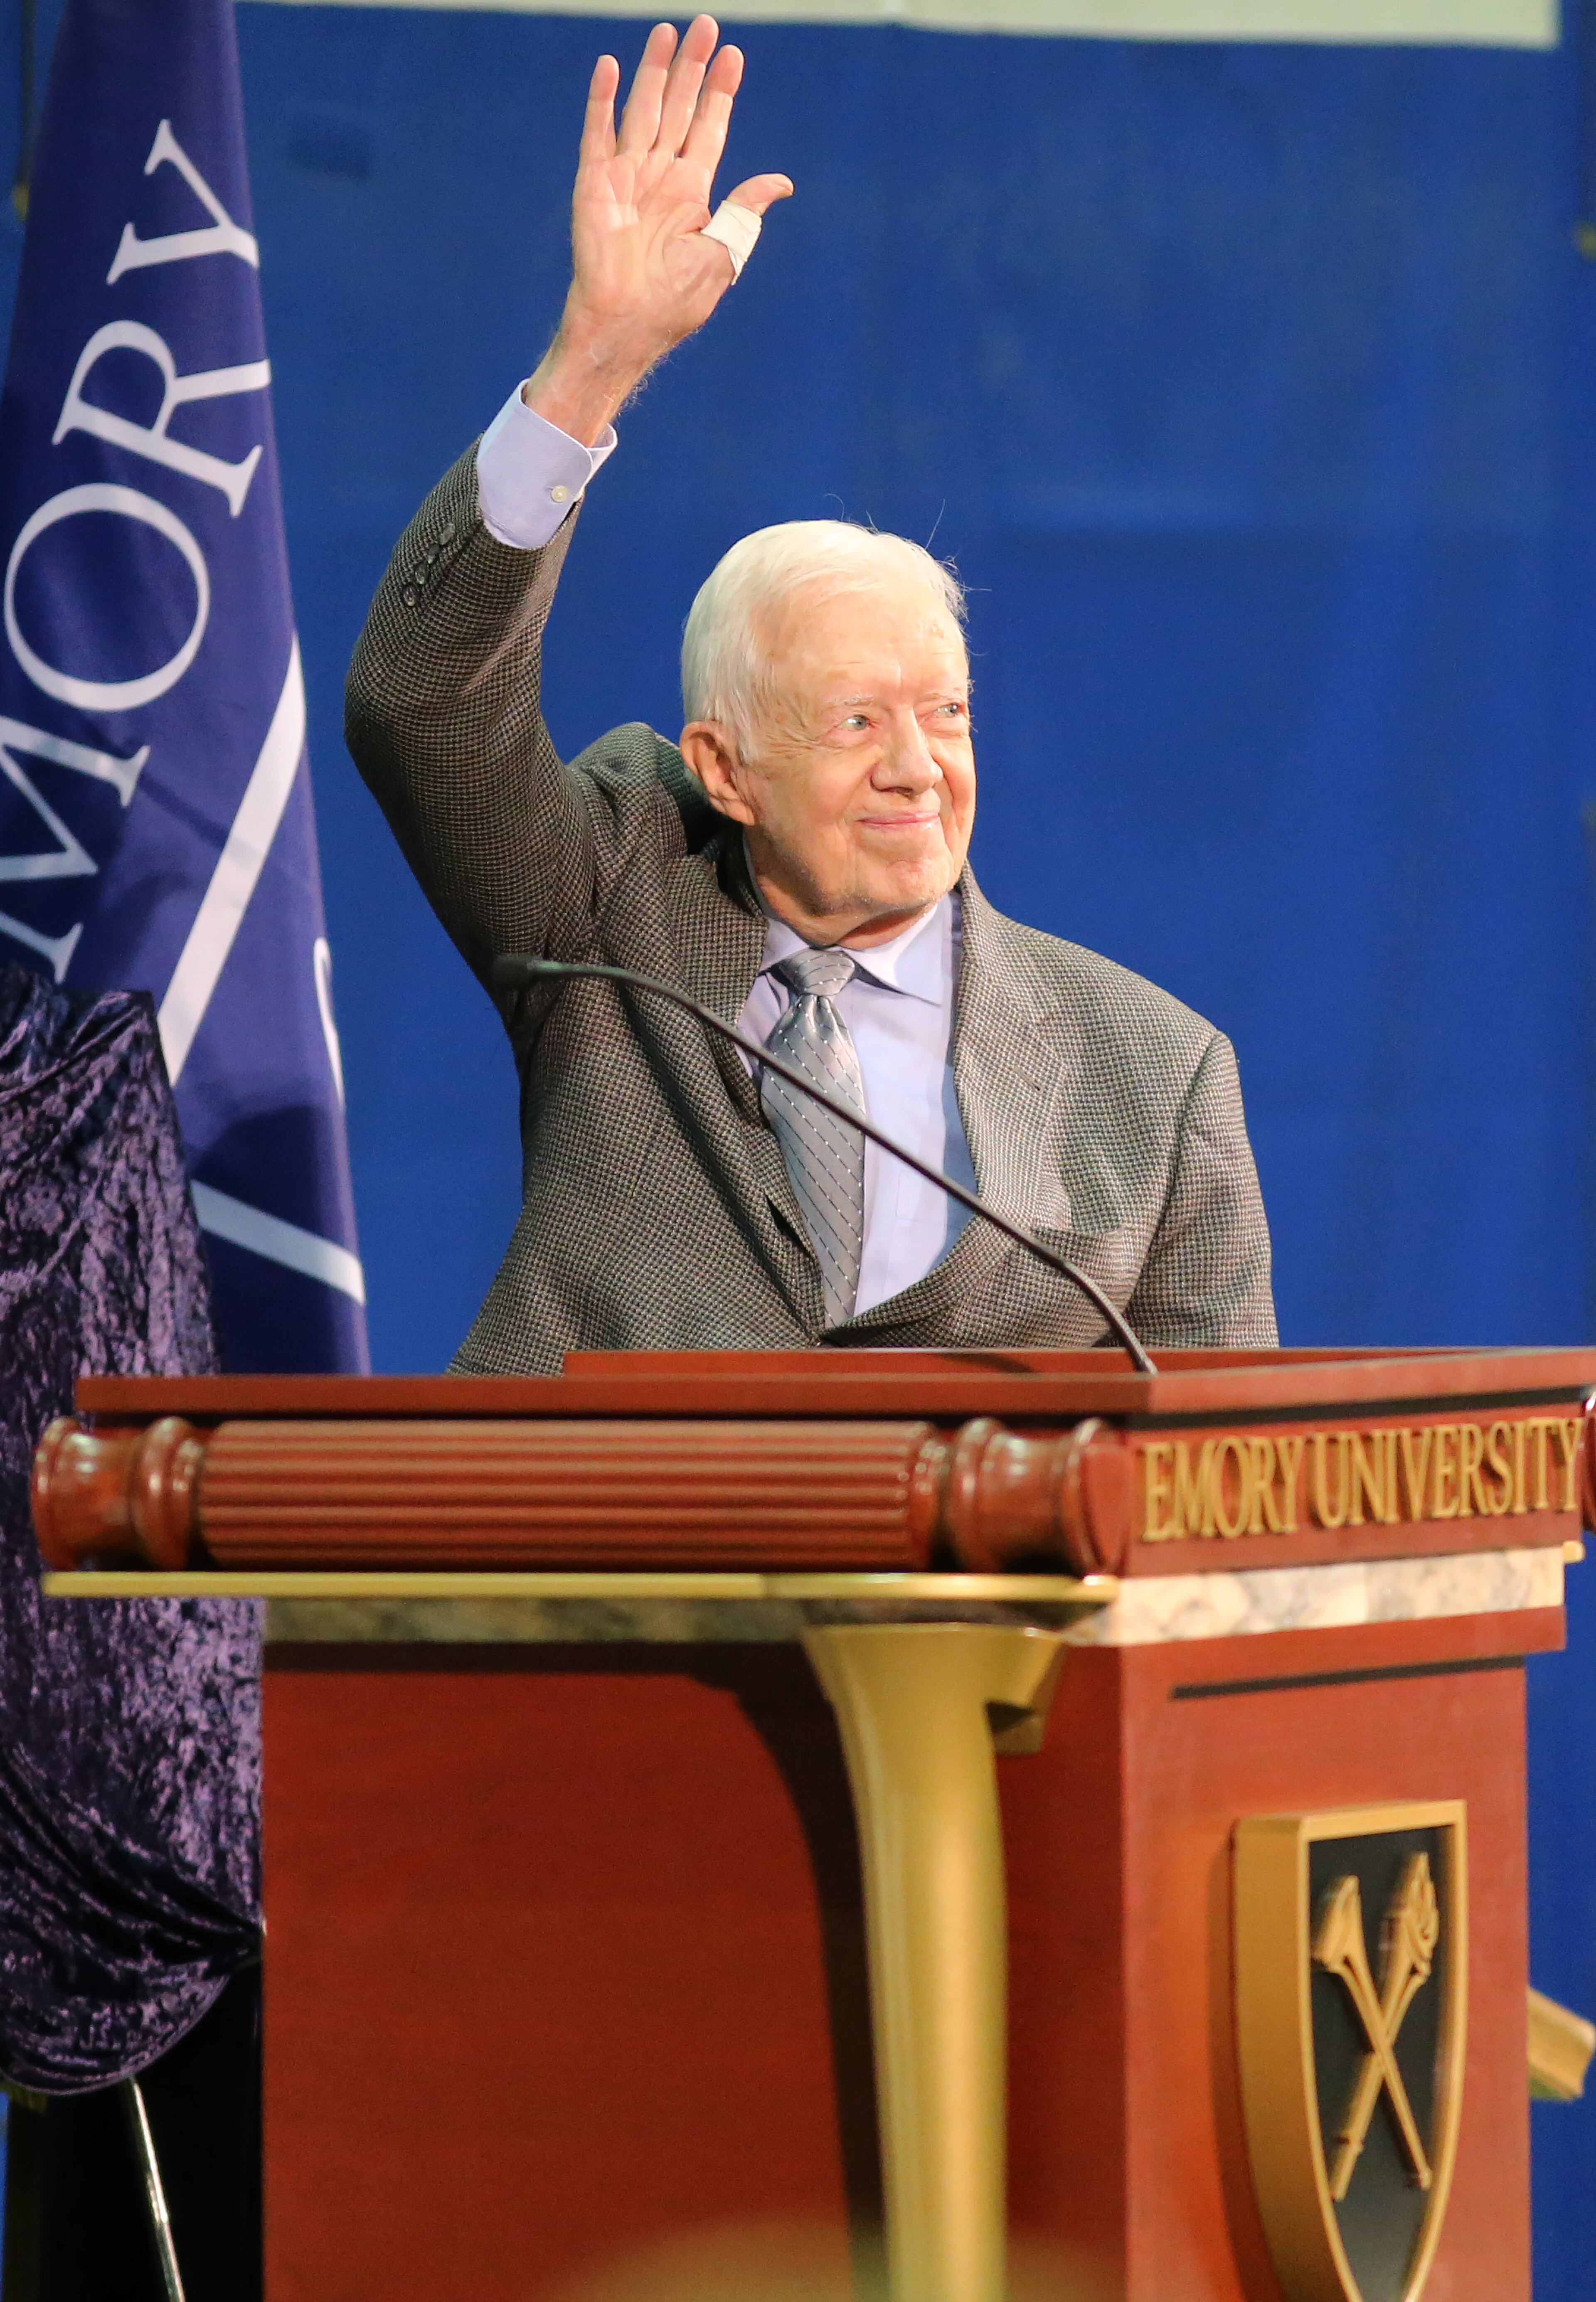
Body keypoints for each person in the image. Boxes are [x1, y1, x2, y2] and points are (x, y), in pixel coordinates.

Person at [346, 15, 1276, 1373]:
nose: (918, 765)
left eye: (945, 714)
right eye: (857, 722)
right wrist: (594, 361)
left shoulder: (1155, 1073)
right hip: (612, 1564)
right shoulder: (607, 914)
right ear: (724, 770)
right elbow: (419, 704)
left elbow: (1219, 1483)